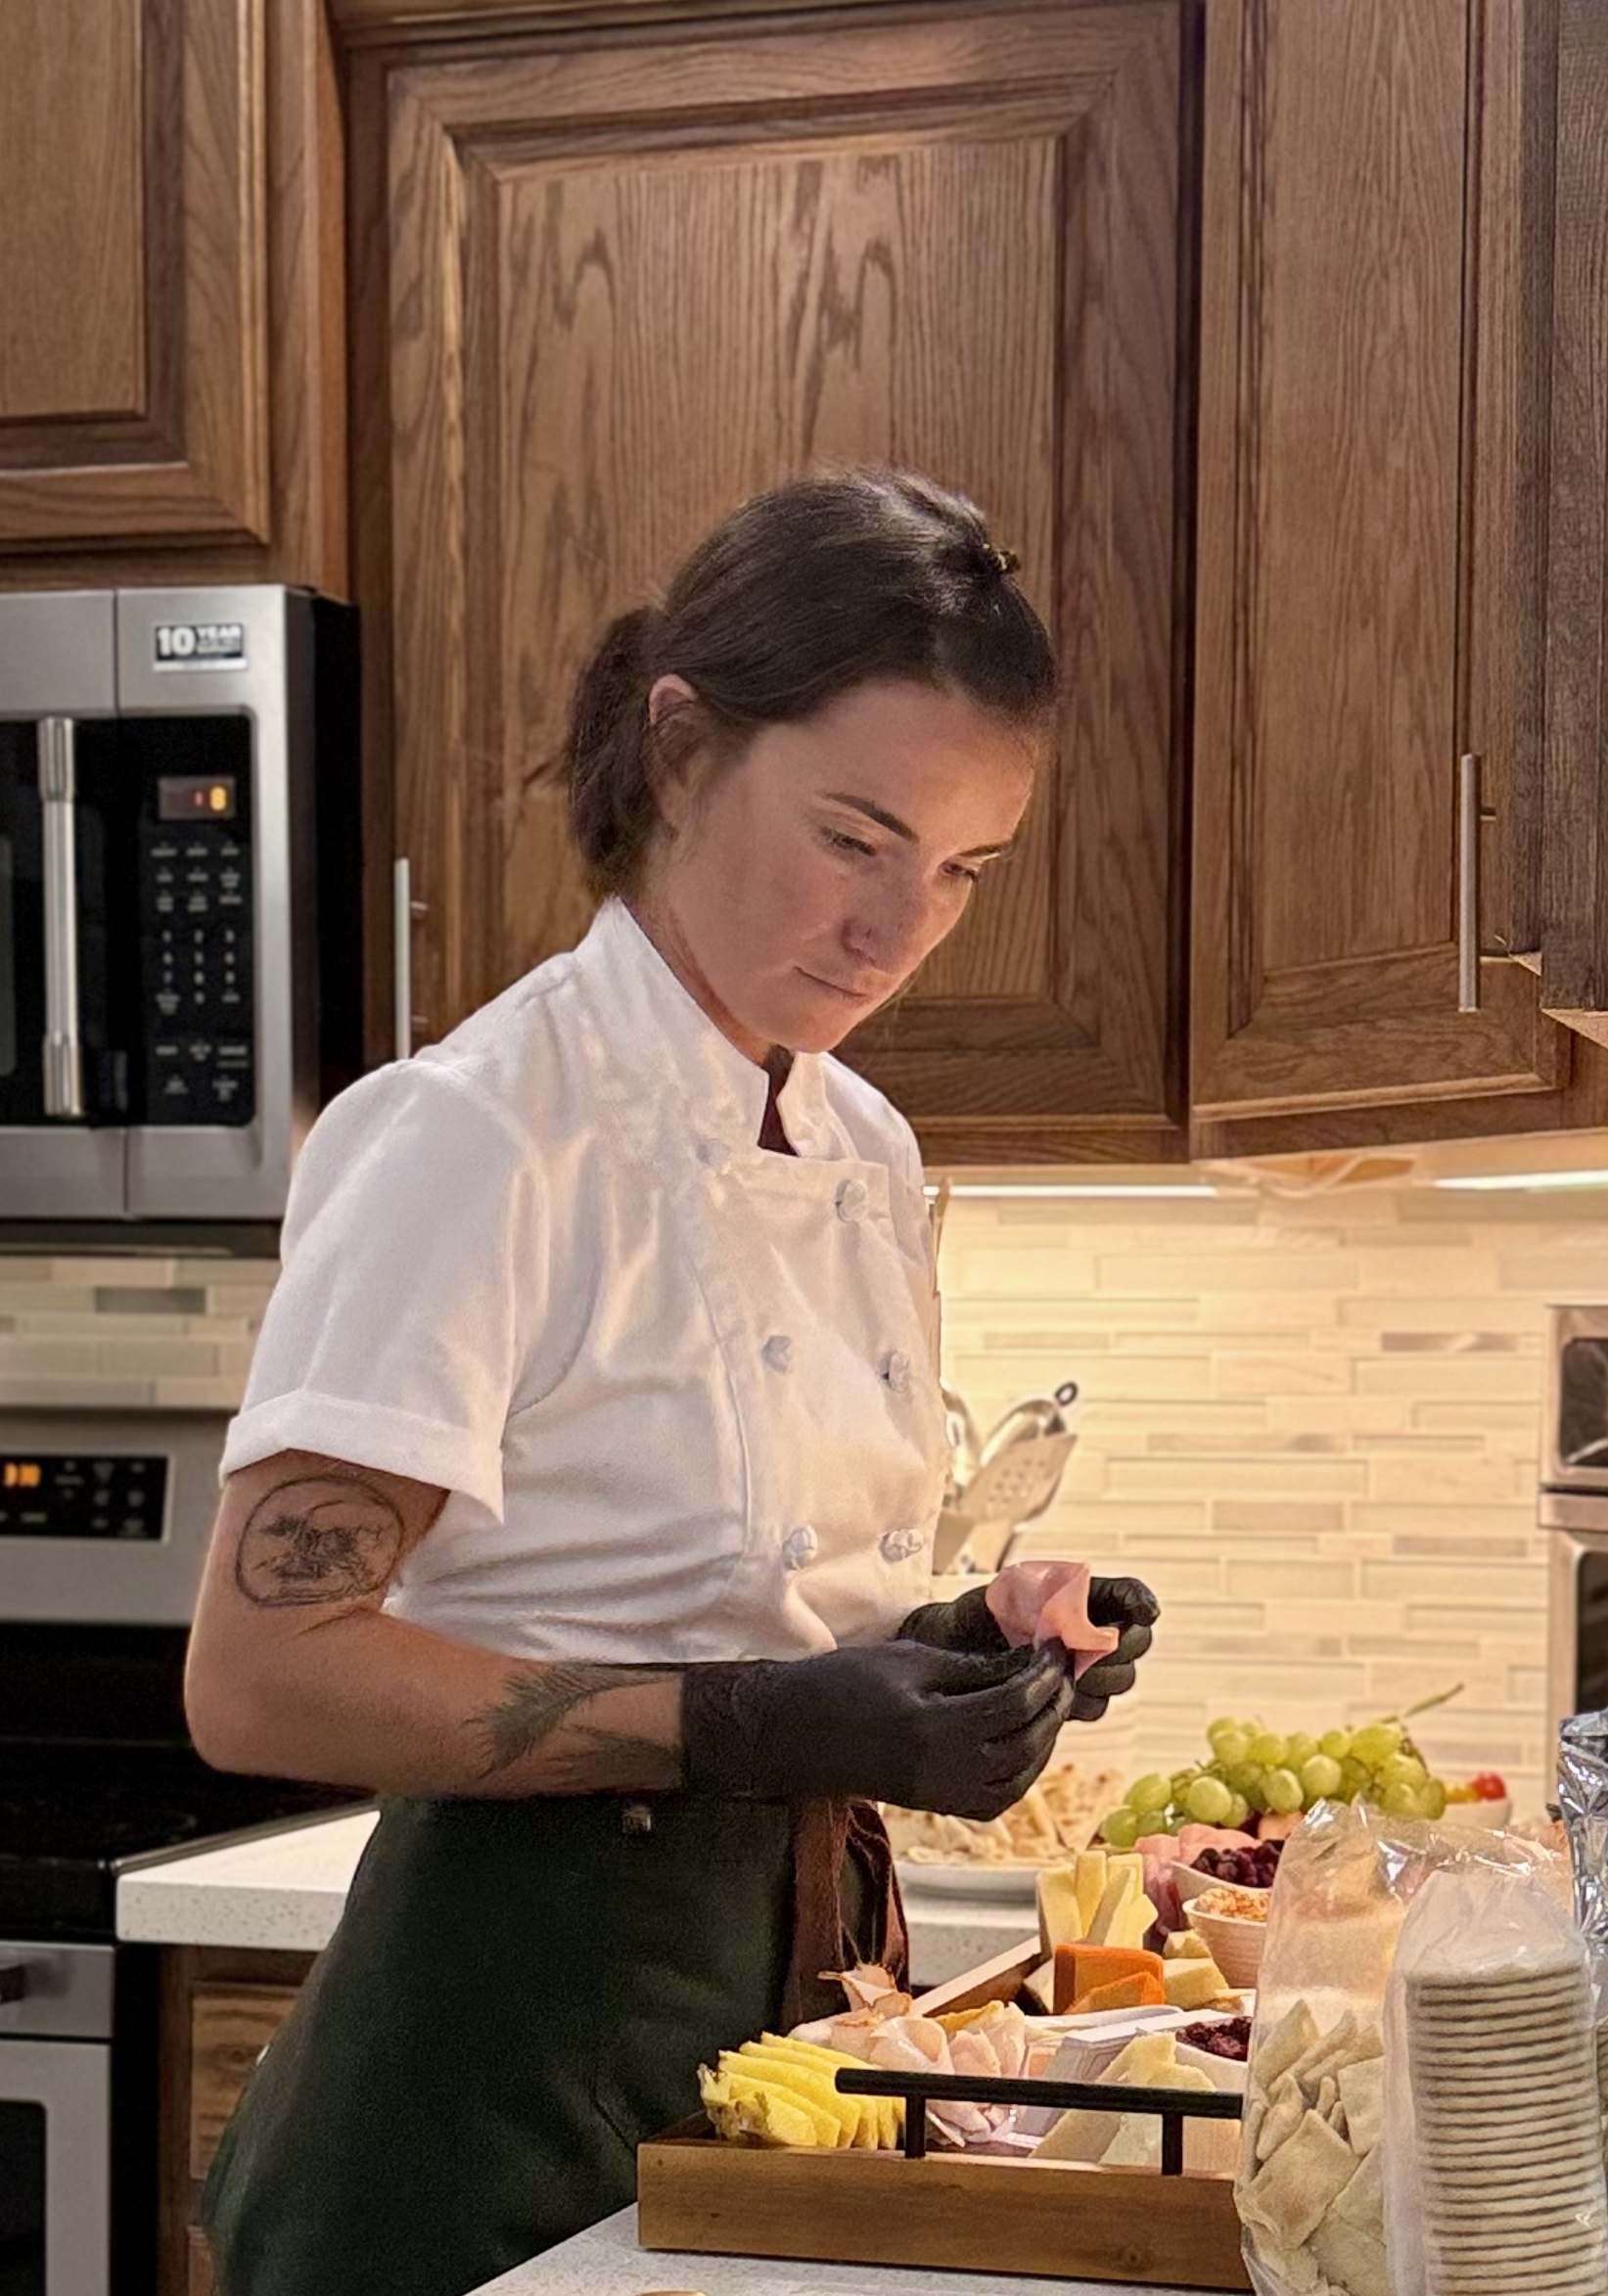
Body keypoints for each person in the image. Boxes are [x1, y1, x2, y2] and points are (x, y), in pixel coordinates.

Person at [188, 470, 1159, 2296]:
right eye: (855, 836)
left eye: (958, 869)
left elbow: (725, 1597)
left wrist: (966, 1648)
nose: (900, 931)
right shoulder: (479, 1135)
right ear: (684, 748)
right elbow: (260, 1676)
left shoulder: (858, 1138)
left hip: (773, 2029)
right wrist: (753, 1724)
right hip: (491, 2069)